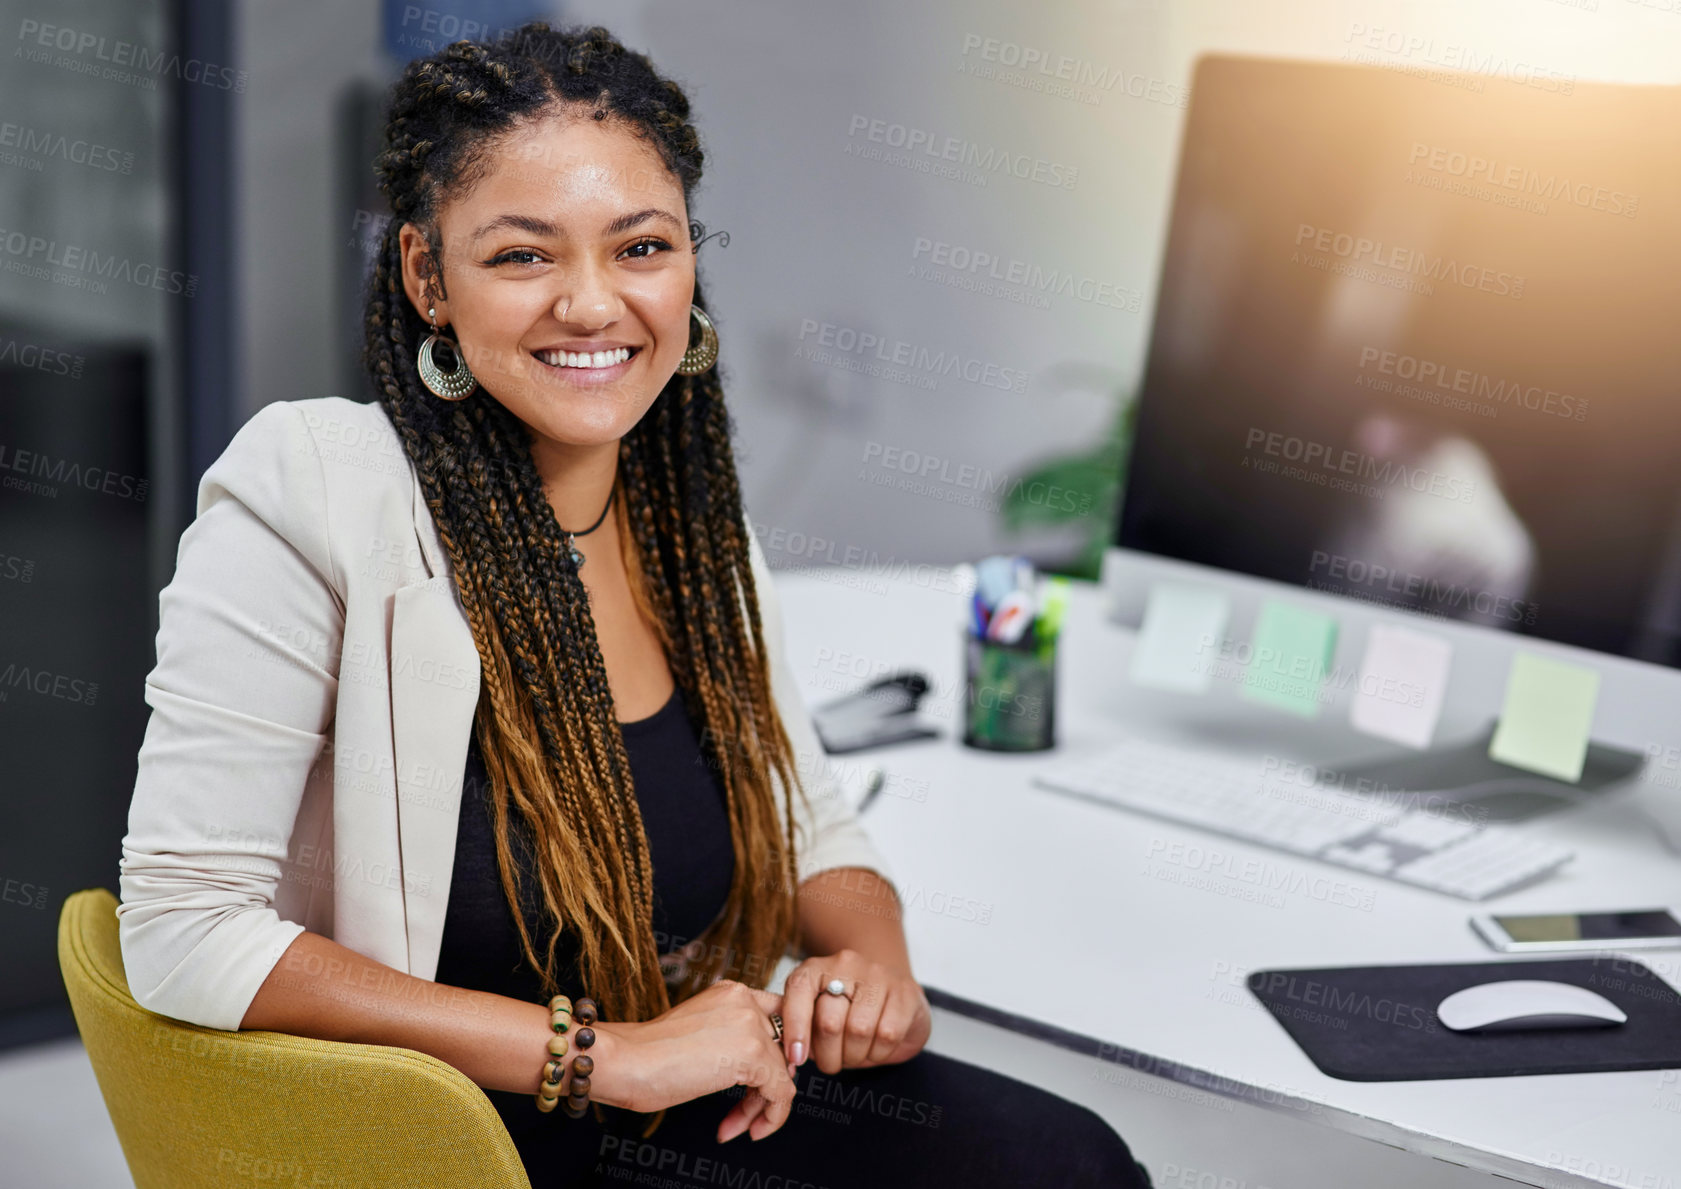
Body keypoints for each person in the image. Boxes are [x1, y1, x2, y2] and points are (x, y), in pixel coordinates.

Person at [116, 21, 1152, 1188]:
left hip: (677, 1078)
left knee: (1071, 1161)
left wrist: (873, 959)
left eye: (641, 247)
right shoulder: (315, 487)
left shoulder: (688, 527)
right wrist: (604, 1057)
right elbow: (183, 929)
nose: (593, 304)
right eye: (521, 257)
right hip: (453, 1128)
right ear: (425, 275)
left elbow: (813, 823)